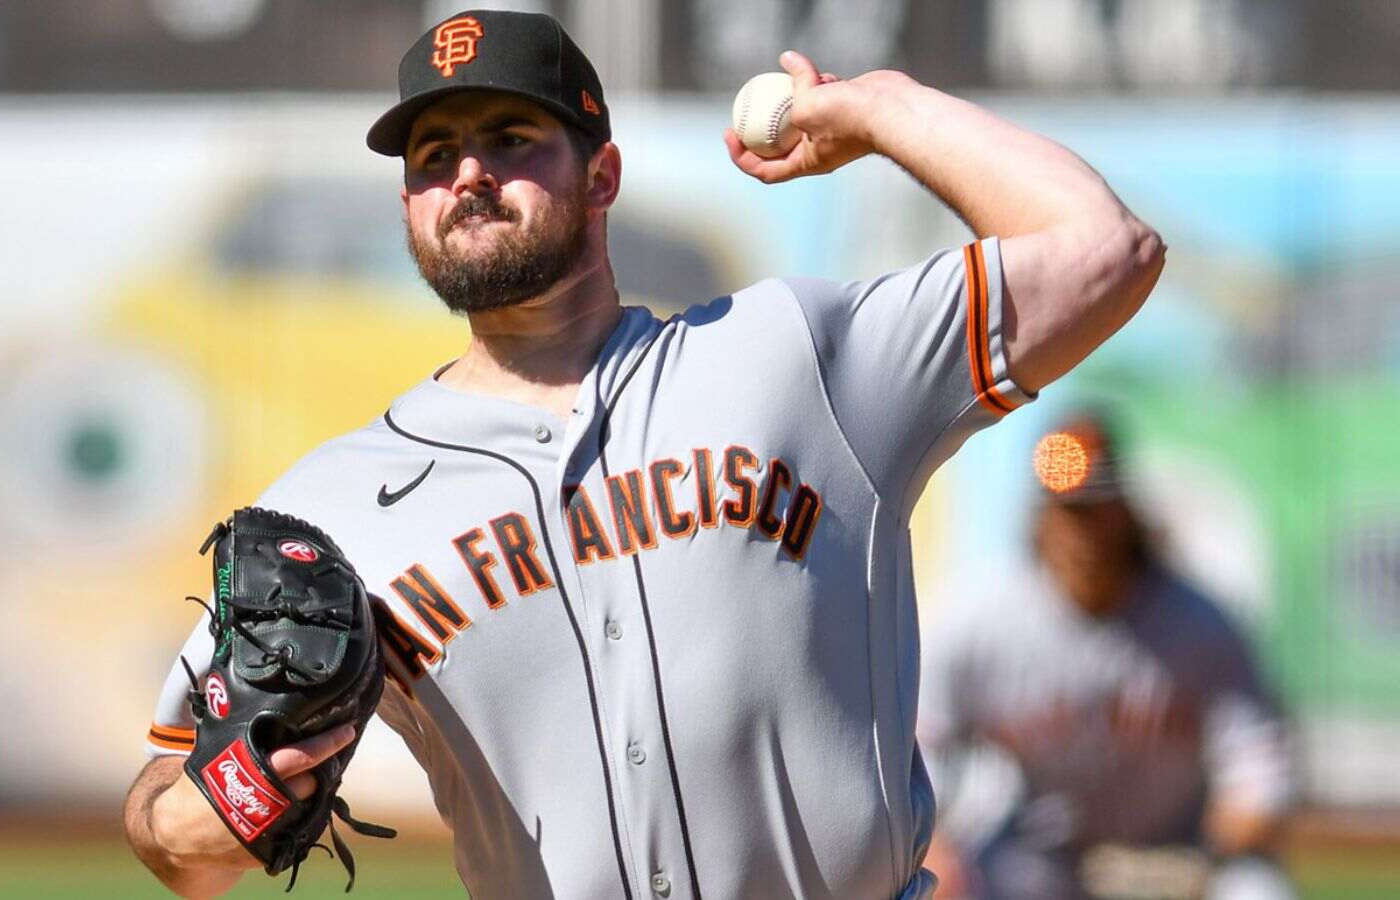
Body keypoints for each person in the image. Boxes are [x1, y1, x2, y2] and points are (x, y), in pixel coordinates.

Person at [123, 9, 1165, 899]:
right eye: (433, 158)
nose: (470, 175)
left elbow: (1104, 251)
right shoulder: (332, 510)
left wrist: (882, 109)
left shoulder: (796, 359)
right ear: (409, 207)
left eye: (512, 137)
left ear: (602, 172)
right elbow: (166, 810)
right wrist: (197, 823)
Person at [919, 413, 1296, 900]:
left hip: (1179, 855)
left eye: (1094, 507)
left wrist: (1213, 855)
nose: (1082, 530)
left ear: (1125, 509)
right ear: (1041, 515)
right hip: (1037, 856)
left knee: (1259, 892)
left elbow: (1258, 772)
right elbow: (922, 753)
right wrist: (933, 846)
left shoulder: (1202, 625)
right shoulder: (979, 620)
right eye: (1066, 509)